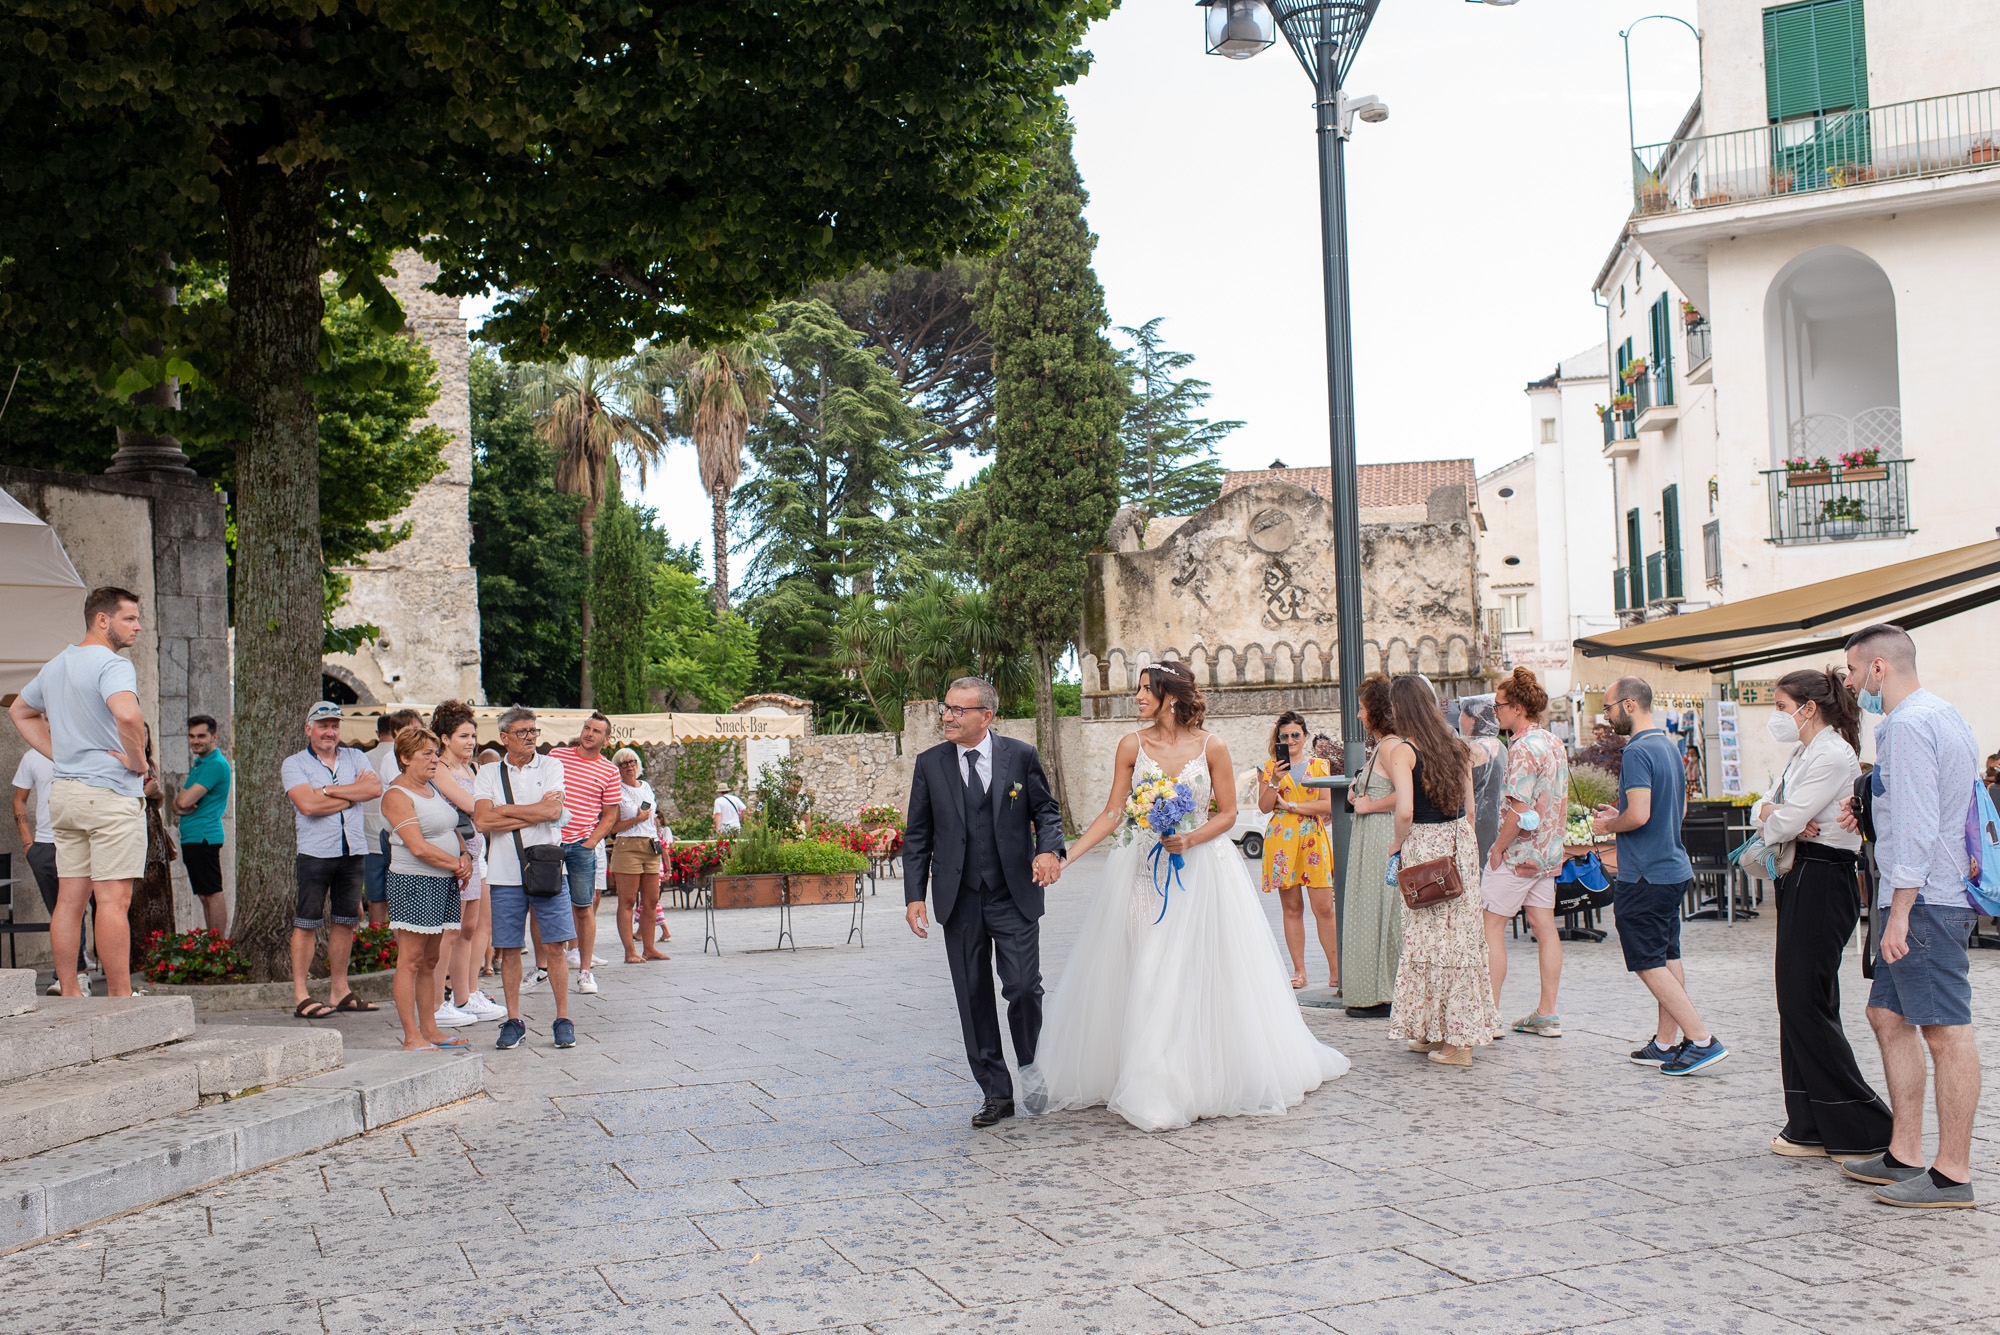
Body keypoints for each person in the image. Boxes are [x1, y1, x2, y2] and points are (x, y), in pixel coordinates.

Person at [1023, 662, 1348, 1130]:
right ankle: (1148, 1073)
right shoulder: (1131, 745)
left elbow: (1229, 814)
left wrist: (1190, 840)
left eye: (1143, 690)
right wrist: (1066, 857)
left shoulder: (1211, 745)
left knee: (1196, 964)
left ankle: (1191, 1073)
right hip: (1139, 870)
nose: (1136, 698)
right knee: (1147, 962)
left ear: (1169, 696)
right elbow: (1115, 811)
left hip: (1203, 870)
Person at [1835, 624, 1982, 1208]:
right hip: (1931, 894)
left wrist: (1899, 914)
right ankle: (1904, 1153)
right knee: (1886, 1015)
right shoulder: (1944, 715)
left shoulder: (1905, 726)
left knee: (1946, 1032)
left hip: (1924, 901)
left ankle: (1951, 1174)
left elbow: (1919, 825)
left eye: (1851, 670)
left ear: (1878, 669)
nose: (1848, 683)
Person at [902, 677, 1067, 1128]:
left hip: (1012, 893)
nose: (948, 716)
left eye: (958, 710)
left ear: (986, 716)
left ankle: (1031, 1070)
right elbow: (918, 834)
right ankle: (996, 1093)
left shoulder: (1021, 755)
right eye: (946, 708)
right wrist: (914, 895)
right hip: (959, 899)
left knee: (1022, 986)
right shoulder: (929, 764)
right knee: (972, 996)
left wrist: (1048, 849)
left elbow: (1046, 812)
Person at [1752, 667, 1890, 1162]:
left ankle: (1861, 1123)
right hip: (1801, 872)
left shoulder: (1831, 753)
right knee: (1798, 997)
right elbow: (1766, 806)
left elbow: (1782, 814)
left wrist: (1773, 813)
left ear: (1808, 708)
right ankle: (1809, 1121)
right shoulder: (1806, 752)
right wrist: (1772, 812)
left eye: (1782, 707)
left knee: (1803, 998)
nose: (1777, 716)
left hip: (1823, 873)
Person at [7, 586, 151, 998]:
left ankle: (70, 991)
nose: (137, 626)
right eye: (129, 618)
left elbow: (20, 710)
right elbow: (127, 715)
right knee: (111, 901)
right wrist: (138, 763)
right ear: (101, 619)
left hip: (65, 797)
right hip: (107, 795)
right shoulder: (112, 664)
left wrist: (61, 754)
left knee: (69, 900)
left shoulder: (55, 665)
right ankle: (121, 1000)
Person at [1591, 676, 1726, 1075]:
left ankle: (1701, 1040)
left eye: (1609, 707)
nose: (1607, 714)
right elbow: (1676, 811)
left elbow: (1640, 815)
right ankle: (1667, 1042)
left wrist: (1609, 825)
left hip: (1645, 874)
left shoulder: (1636, 752)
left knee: (1648, 962)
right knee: (1668, 956)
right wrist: (1622, 817)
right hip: (1672, 866)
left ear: (1630, 705)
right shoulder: (1668, 745)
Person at [1383, 674, 1502, 1067]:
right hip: (1457, 845)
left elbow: (1404, 810)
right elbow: (1469, 810)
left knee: (1426, 941)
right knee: (1460, 941)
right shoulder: (1456, 744)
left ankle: (1457, 1043)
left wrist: (1398, 845)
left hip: (1424, 843)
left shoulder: (1404, 750)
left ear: (1400, 709)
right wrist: (1459, 846)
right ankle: (1438, 1031)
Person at [473, 706, 576, 1051]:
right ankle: (514, 1020)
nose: (530, 737)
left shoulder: (551, 765)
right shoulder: (487, 773)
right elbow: (483, 823)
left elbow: (553, 812)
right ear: (504, 737)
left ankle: (563, 1018)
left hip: (547, 868)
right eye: (522, 732)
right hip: (504, 873)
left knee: (555, 947)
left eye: (533, 731)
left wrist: (503, 810)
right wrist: (530, 813)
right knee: (509, 948)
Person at [1481, 667, 1569, 1038]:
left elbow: (1518, 808)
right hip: (1547, 854)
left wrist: (1497, 848)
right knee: (1545, 928)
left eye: (1498, 706)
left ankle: (1489, 1015)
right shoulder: (1553, 742)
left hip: (1517, 855)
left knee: (1490, 928)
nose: (1495, 712)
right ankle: (1547, 1013)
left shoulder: (1520, 749)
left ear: (1517, 708)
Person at [281, 701, 383, 1018]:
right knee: (307, 921)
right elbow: (307, 806)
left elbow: (375, 787)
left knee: (346, 921)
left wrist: (325, 791)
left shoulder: (355, 756)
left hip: (352, 850)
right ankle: (301, 993)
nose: (330, 732)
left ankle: (339, 990)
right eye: (323, 725)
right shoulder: (294, 764)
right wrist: (350, 796)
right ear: (308, 729)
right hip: (315, 852)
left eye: (335, 725)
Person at [381, 725, 473, 1052]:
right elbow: (417, 847)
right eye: (426, 754)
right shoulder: (396, 795)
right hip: (414, 883)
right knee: (410, 960)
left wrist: (464, 856)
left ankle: (430, 1029)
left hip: (442, 881)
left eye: (435, 753)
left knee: (432, 960)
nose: (435, 760)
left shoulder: (431, 786)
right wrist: (457, 865)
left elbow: (452, 827)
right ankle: (411, 1037)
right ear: (405, 758)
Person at [429, 700, 504, 1025]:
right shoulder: (440, 769)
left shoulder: (472, 768)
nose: (471, 742)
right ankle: (437, 1002)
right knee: (450, 931)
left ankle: (467, 993)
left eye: (472, 735)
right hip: (456, 855)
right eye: (463, 736)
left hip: (478, 853)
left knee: (474, 927)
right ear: (445, 738)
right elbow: (471, 805)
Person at [1256, 710, 1338, 991]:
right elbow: (1265, 806)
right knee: (1292, 908)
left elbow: (1326, 805)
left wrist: (1291, 806)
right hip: (1282, 841)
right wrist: (1275, 781)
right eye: (1285, 736)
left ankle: (1335, 971)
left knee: (1324, 907)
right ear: (1278, 739)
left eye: (1295, 735)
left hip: (1313, 839)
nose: (1290, 740)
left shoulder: (1320, 766)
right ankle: (1300, 971)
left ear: (1304, 736)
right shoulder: (1268, 768)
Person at [1338, 674, 1402, 1017]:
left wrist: (1369, 804)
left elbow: (1405, 795)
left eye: (1363, 709)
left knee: (1381, 913)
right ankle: (1372, 990)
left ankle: (1384, 992)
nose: (1359, 716)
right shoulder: (1381, 747)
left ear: (1376, 710)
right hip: (1370, 836)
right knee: (1369, 912)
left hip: (1381, 836)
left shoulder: (1391, 746)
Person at [550, 713, 621, 996]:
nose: (589, 734)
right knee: (542, 904)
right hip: (550, 843)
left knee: (584, 906)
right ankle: (542, 967)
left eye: (596, 731)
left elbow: (611, 814)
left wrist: (590, 843)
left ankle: (585, 971)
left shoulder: (609, 770)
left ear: (606, 739)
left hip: (581, 845)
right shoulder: (557, 755)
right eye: (587, 728)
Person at [13, 743, 91, 992]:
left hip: (81, 841)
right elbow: (19, 800)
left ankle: (77, 976)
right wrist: (28, 843)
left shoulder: (82, 749)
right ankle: (72, 976)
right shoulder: (32, 756)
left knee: (77, 908)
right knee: (60, 910)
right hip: (45, 846)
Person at [608, 747, 669, 964]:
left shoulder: (647, 787)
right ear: (617, 767)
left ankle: (649, 948)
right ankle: (630, 951)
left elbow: (652, 816)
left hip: (650, 845)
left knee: (651, 900)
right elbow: (613, 827)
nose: (628, 766)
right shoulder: (616, 790)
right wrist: (637, 820)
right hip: (628, 844)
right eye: (623, 763)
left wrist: (654, 828)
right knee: (627, 901)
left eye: (632, 761)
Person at [173, 714, 232, 937]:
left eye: (201, 736)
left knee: (213, 893)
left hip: (204, 836)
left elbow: (182, 802)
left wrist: (181, 805)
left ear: (214, 737)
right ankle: (212, 943)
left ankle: (218, 945)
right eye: (191, 736)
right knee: (204, 895)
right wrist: (180, 805)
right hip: (193, 837)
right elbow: (177, 804)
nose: (195, 740)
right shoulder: (200, 764)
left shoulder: (215, 764)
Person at [361, 710, 418, 928]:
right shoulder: (399, 757)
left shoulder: (366, 758)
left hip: (371, 837)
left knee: (376, 897)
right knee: (401, 897)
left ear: (377, 732)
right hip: (399, 835)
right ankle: (397, 942)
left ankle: (379, 943)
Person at [1457, 694, 1508, 868]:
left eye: (1463, 714)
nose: (1459, 720)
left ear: (1473, 720)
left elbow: (1465, 797)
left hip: (1476, 826)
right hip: (1497, 825)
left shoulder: (1473, 751)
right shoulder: (1500, 747)